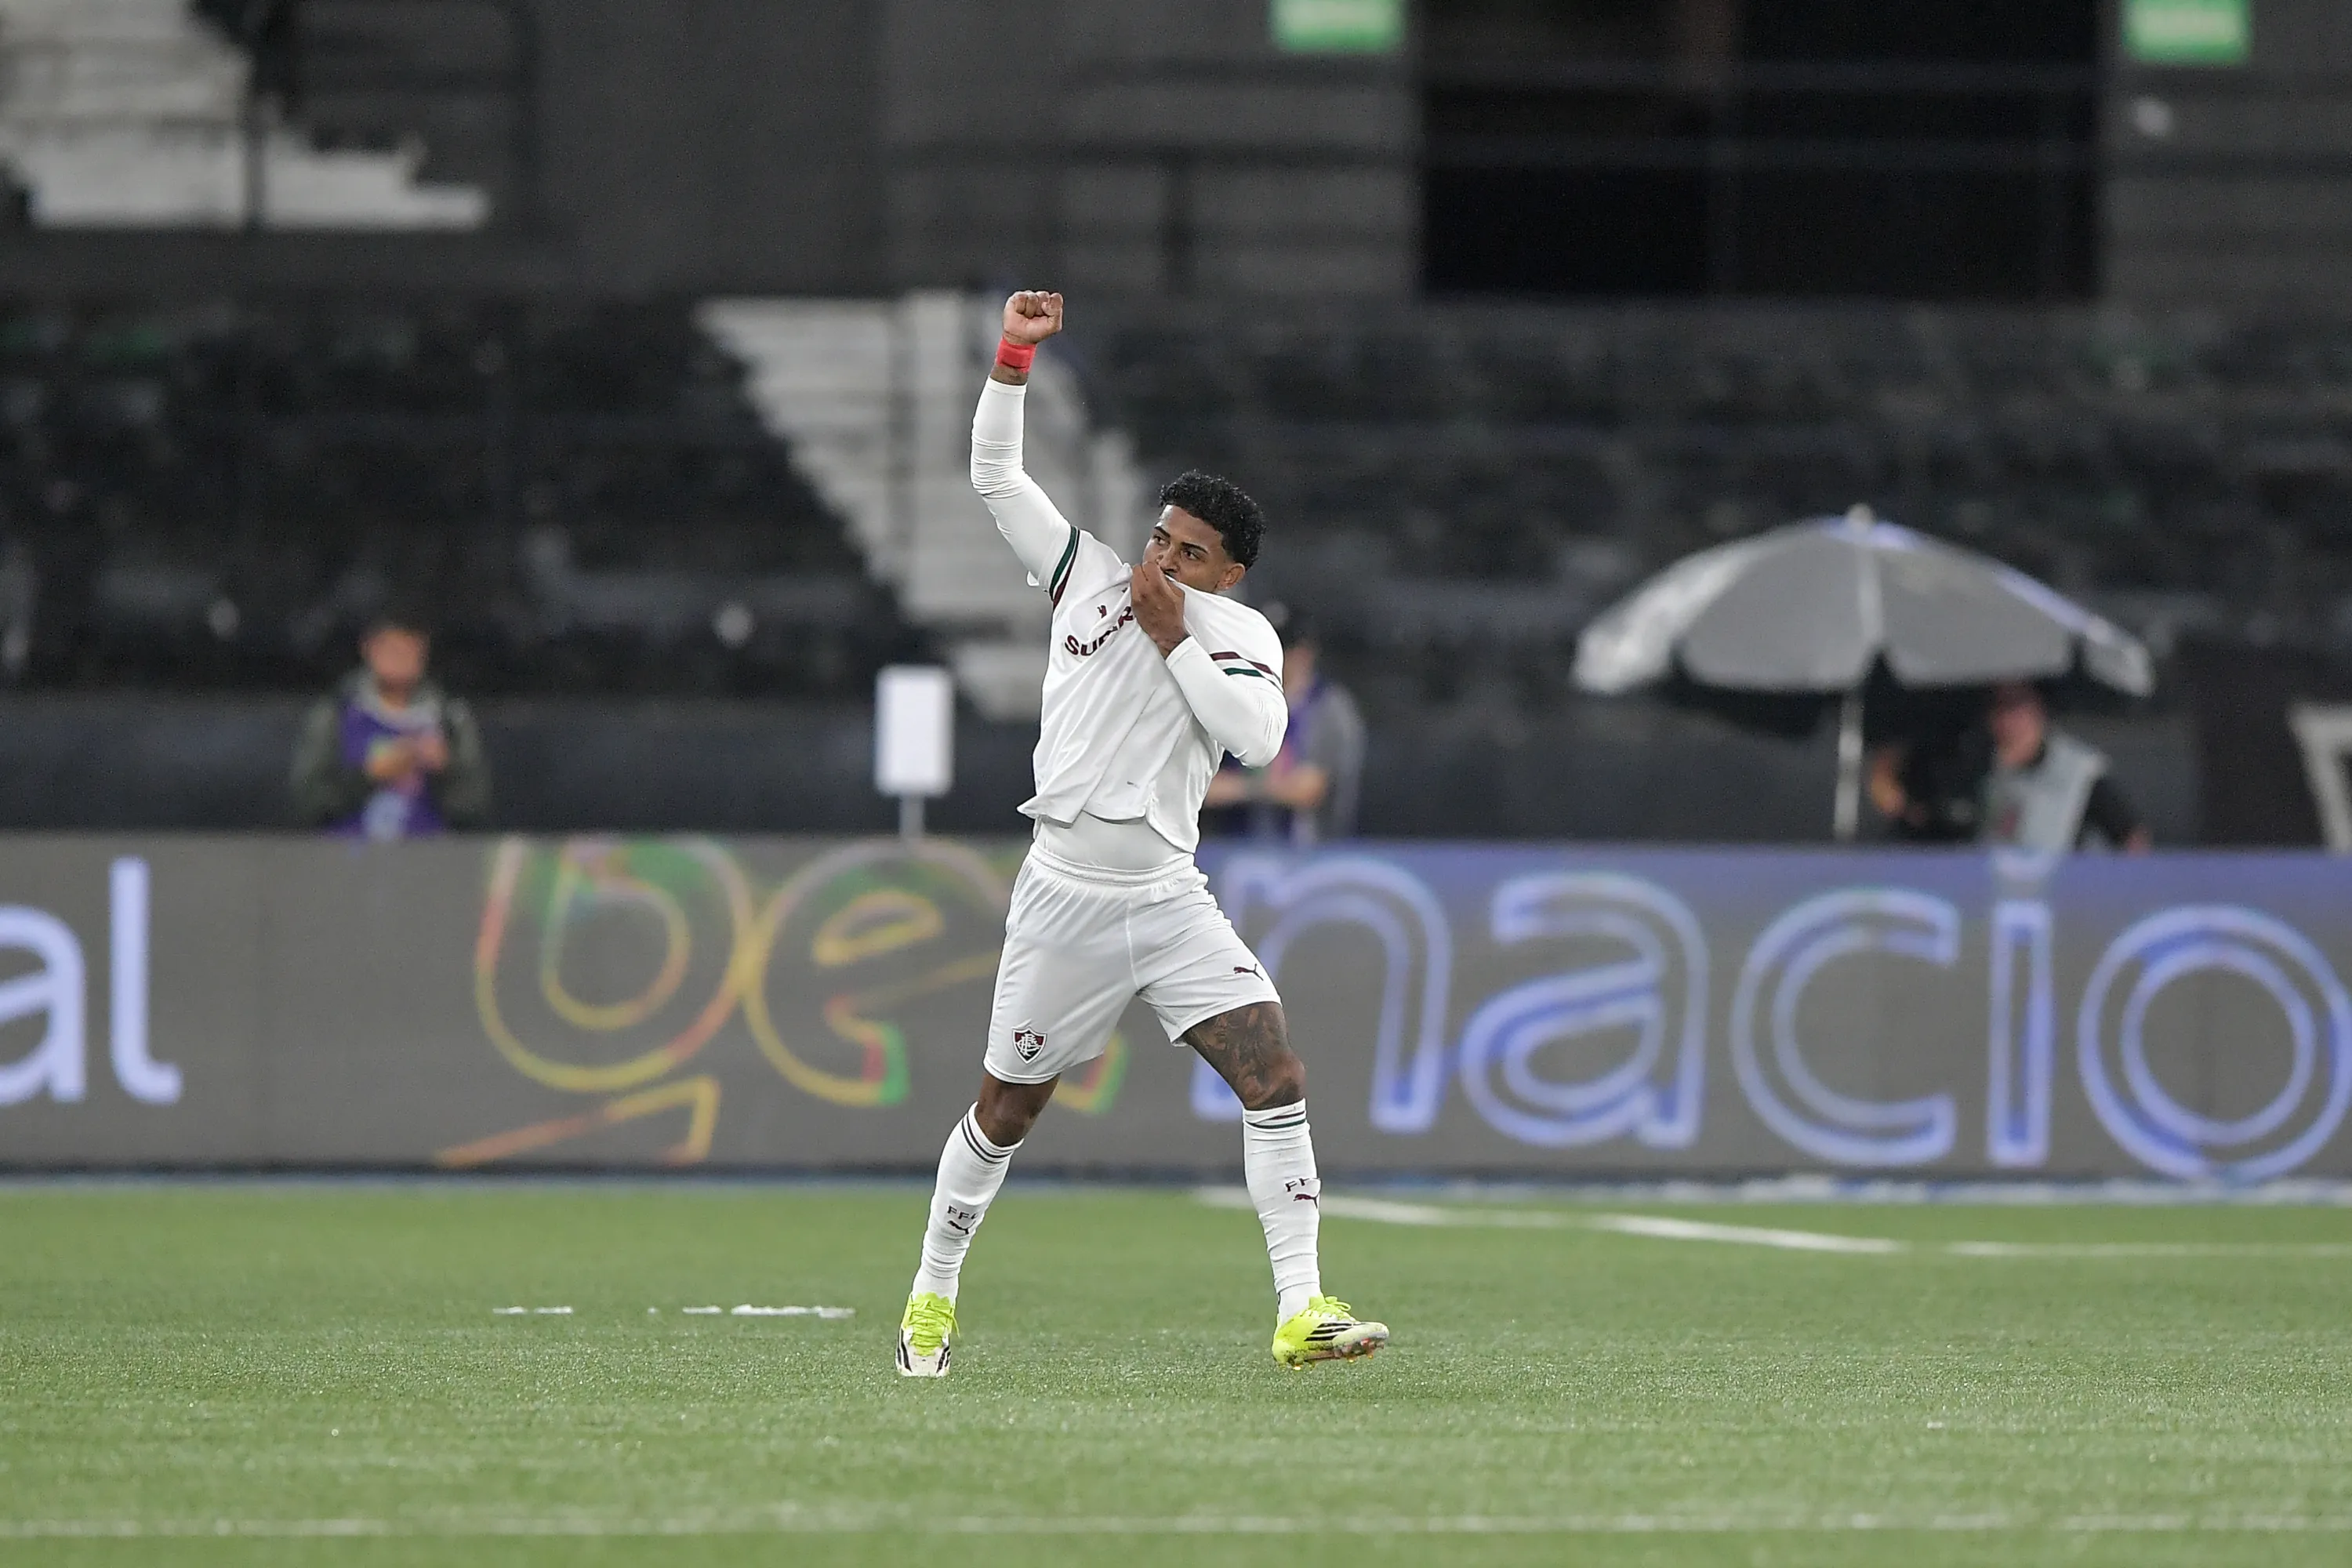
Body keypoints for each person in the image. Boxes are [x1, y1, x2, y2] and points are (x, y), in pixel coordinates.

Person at [895, 291, 1386, 1377]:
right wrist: (1016, 353)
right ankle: (931, 1294)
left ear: (1229, 572)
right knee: (1008, 1107)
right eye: (1160, 539)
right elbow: (993, 476)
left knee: (1275, 1072)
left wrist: (1176, 643)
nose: (1162, 562)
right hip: (1063, 892)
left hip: (1166, 897)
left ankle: (1301, 1308)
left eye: (1189, 551)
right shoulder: (1083, 576)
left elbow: (1257, 739)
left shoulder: (1235, 634)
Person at [290, 612, 488, 839]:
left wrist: (444, 772)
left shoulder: (450, 716)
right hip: (345, 854)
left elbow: (474, 804)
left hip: (429, 855)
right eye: (392, 650)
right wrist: (368, 776)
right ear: (369, 649)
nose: (401, 660)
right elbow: (309, 801)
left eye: (410, 651)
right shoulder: (335, 712)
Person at [1203, 612, 1367, 844]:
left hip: (1311, 851)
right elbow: (1201, 788)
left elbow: (1307, 790)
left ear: (1304, 653)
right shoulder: (1239, 695)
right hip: (1233, 845)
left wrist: (1242, 786)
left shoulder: (1329, 708)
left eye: (1282, 650)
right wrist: (1273, 785)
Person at [1976, 681, 2150, 852]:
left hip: (2062, 876)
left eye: (2016, 707)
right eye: (1998, 708)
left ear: (2039, 709)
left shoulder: (2078, 769)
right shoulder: (1978, 768)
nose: (2008, 719)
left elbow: (2131, 836)